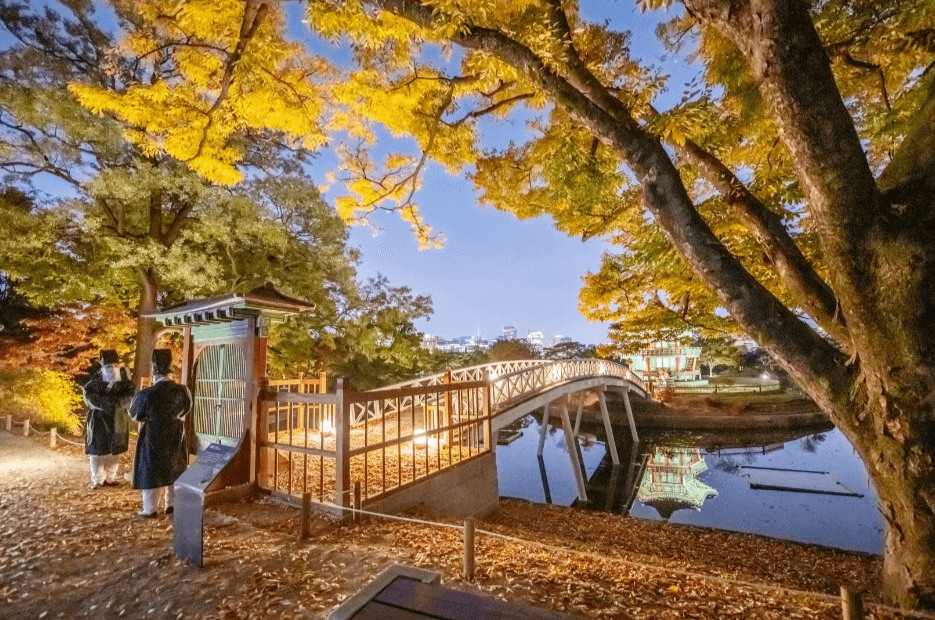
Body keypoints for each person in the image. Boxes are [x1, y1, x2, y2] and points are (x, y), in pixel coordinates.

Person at [129, 349, 192, 518]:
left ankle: (150, 509)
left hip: (152, 432)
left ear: (154, 370)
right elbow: (187, 408)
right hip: (175, 431)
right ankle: (171, 504)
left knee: (151, 468)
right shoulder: (182, 390)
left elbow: (135, 413)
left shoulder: (147, 393)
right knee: (174, 466)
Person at [82, 350, 135, 489]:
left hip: (118, 420)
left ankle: (110, 478)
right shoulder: (93, 384)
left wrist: (106, 402)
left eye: (114, 366)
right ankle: (98, 480)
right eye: (108, 366)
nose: (111, 369)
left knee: (115, 451)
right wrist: (114, 403)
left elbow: (129, 399)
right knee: (97, 451)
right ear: (102, 367)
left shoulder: (125, 384)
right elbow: (90, 399)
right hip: (98, 420)